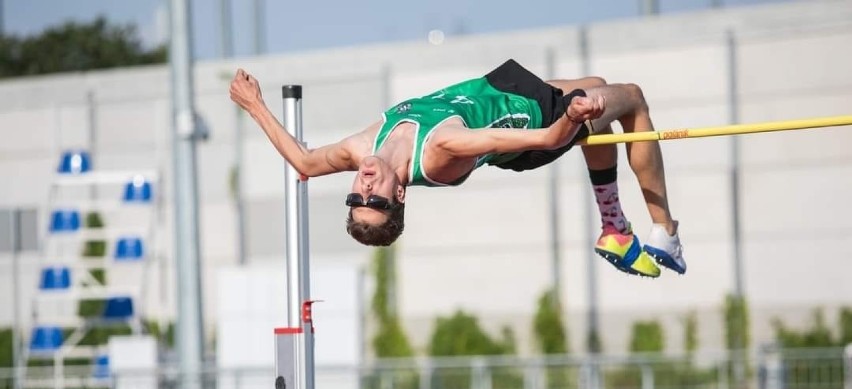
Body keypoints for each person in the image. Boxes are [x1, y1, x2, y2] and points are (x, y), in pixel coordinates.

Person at [229, 59, 686, 277]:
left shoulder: (360, 150)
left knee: (599, 85)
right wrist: (572, 117)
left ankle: (615, 229)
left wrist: (255, 106)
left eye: (355, 199)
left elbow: (303, 161)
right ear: (399, 195)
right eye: (376, 202)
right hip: (536, 122)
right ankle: (662, 230)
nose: (364, 188)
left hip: (497, 87)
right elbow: (547, 139)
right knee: (631, 97)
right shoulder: (441, 151)